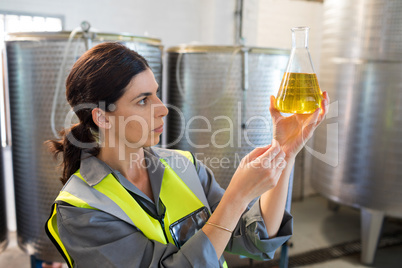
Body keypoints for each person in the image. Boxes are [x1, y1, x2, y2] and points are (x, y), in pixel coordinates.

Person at [45, 42, 329, 268]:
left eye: (156, 94)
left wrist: (285, 150)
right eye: (143, 100)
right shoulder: (81, 210)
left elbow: (256, 239)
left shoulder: (184, 166)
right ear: (102, 118)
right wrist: (237, 197)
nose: (163, 108)